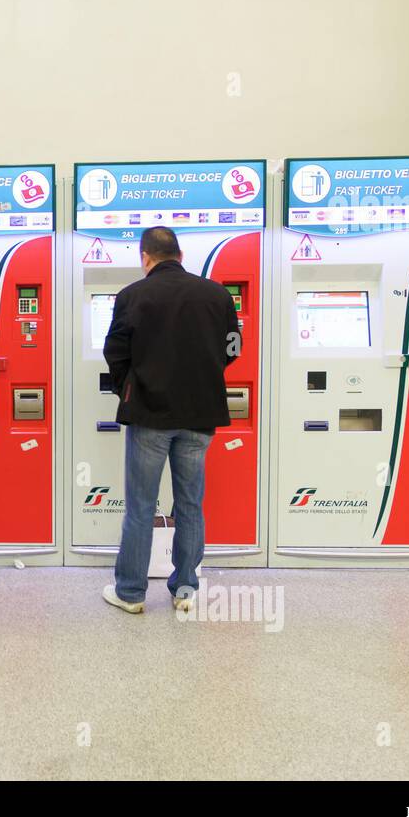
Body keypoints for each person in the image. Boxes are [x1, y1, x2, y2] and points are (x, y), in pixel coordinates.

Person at [101, 227, 240, 614]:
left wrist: (128, 387)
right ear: (179, 254)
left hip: (150, 413)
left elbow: (115, 351)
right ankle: (185, 590)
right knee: (191, 504)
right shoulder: (217, 294)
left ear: (146, 256)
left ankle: (130, 593)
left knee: (141, 506)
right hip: (201, 414)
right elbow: (232, 348)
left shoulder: (132, 295)